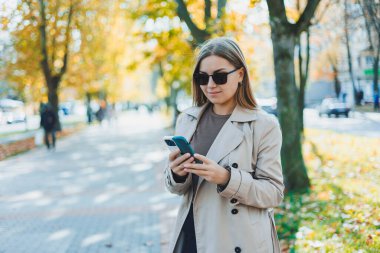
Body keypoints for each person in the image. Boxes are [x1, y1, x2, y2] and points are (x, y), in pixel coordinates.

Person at [164, 37, 284, 253]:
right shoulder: (187, 119)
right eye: (202, 77)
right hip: (193, 233)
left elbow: (273, 193)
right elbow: (179, 189)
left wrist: (227, 178)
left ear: (240, 74)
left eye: (219, 77)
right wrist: (177, 174)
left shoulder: (263, 125)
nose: (210, 85)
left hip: (238, 239)